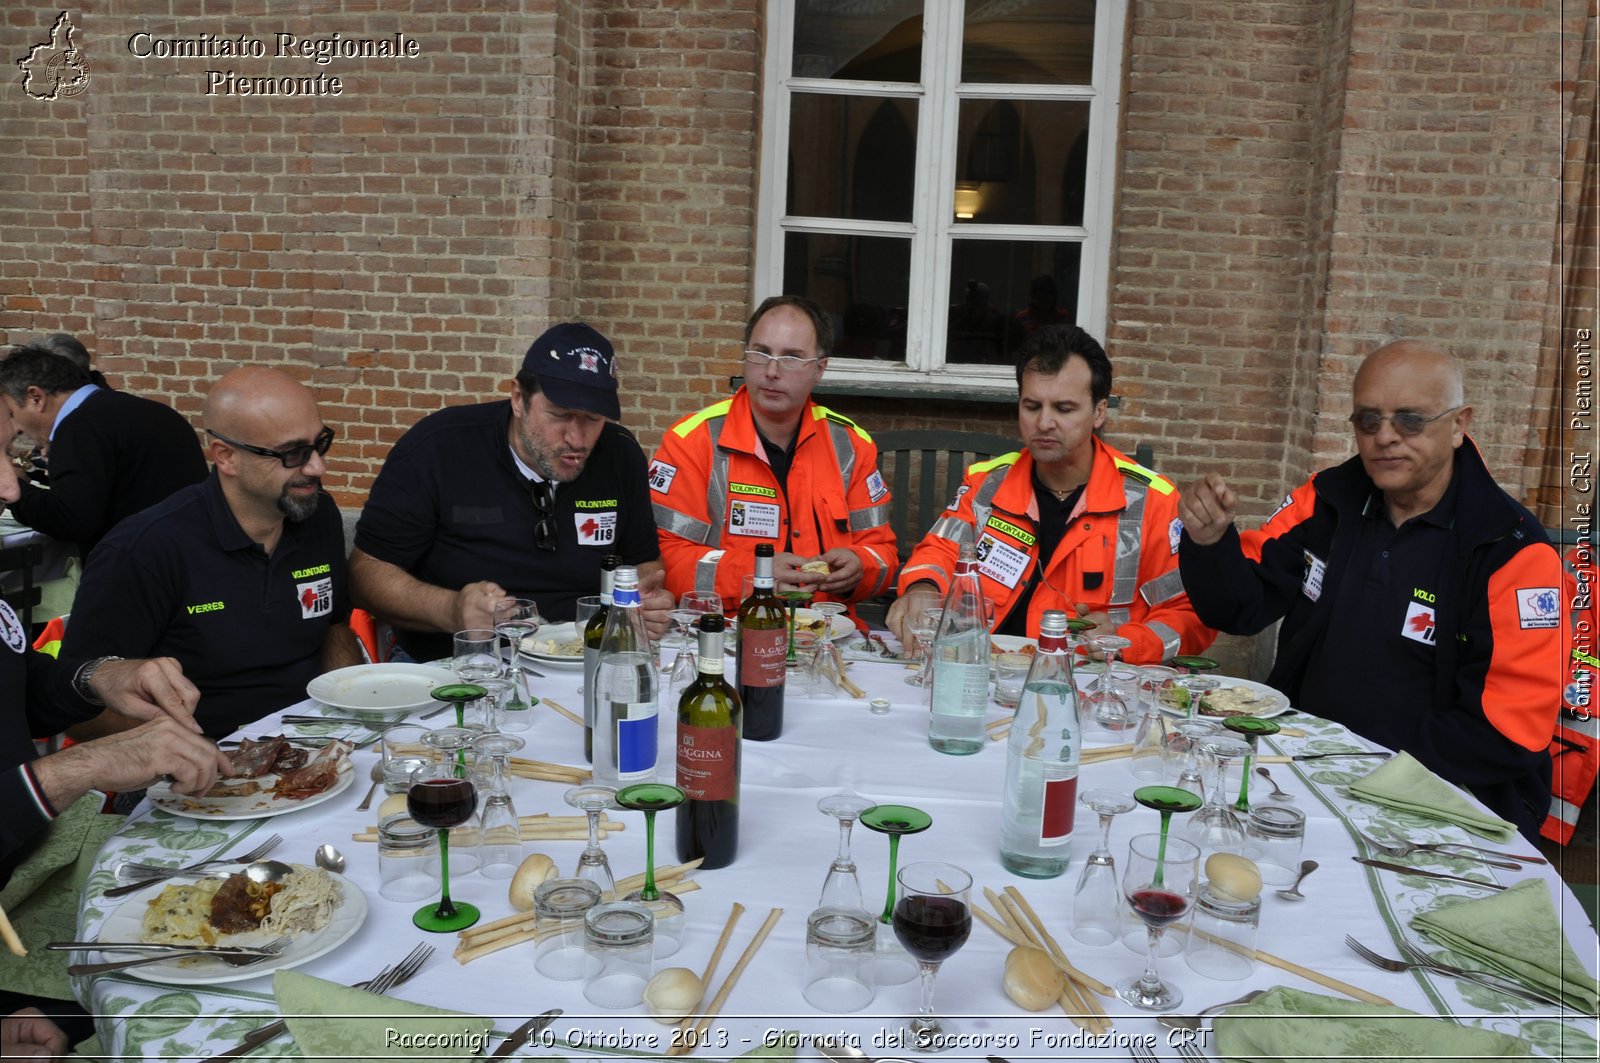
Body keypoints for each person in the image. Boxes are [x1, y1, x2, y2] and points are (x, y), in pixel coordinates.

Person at [1176, 340, 1562, 840]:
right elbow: (1242, 607)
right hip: (1302, 777)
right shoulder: (1328, 498)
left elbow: (1509, 732)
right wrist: (1210, 543)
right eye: (1368, 420)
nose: (1385, 437)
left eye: (1410, 420)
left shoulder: (1512, 550)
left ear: (1460, 424)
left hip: (1442, 804)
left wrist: (1355, 756)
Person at [60, 367, 361, 740]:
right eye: (292, 453)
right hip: (193, 763)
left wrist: (352, 718)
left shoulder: (318, 514)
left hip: (316, 740)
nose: (318, 466)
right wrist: (186, 752)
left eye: (320, 443)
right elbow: (75, 704)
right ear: (226, 457)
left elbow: (334, 628)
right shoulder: (144, 549)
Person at [888, 325, 1214, 663]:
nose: (1044, 423)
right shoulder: (986, 483)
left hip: (1094, 686)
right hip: (981, 672)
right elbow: (939, 552)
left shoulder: (1153, 500)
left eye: (1064, 408)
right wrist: (923, 587)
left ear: (1099, 411)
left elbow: (1191, 614)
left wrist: (1127, 641)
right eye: (1032, 406)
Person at [351, 323, 672, 661]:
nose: (577, 439)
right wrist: (453, 609)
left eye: (593, 419)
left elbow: (643, 563)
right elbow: (365, 572)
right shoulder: (439, 448)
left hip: (584, 657)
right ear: (518, 398)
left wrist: (644, 602)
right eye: (560, 414)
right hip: (455, 662)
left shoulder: (619, 455)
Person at [649, 295, 898, 617]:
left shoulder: (850, 446)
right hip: (726, 635)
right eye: (761, 353)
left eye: (792, 357)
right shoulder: (692, 442)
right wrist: (755, 574)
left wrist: (859, 567)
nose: (771, 370)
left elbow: (883, 555)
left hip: (828, 638)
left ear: (820, 369)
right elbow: (663, 559)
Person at [0, 342, 206, 560]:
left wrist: (20, 492)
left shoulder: (79, 427)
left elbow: (72, 521)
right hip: (190, 557)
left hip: (141, 570)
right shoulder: (146, 411)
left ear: (36, 398)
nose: (17, 428)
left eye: (12, 413)